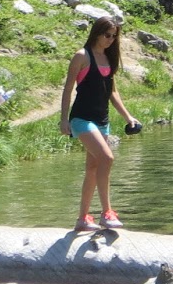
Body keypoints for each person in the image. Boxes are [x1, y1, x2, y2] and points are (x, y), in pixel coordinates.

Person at [60, 16, 141, 232]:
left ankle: (82, 219)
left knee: (93, 168)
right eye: (107, 35)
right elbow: (68, 88)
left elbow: (112, 92)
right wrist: (63, 119)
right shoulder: (82, 56)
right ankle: (107, 213)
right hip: (82, 119)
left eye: (114, 37)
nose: (110, 40)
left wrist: (128, 117)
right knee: (107, 157)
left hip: (101, 119)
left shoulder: (108, 57)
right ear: (97, 32)